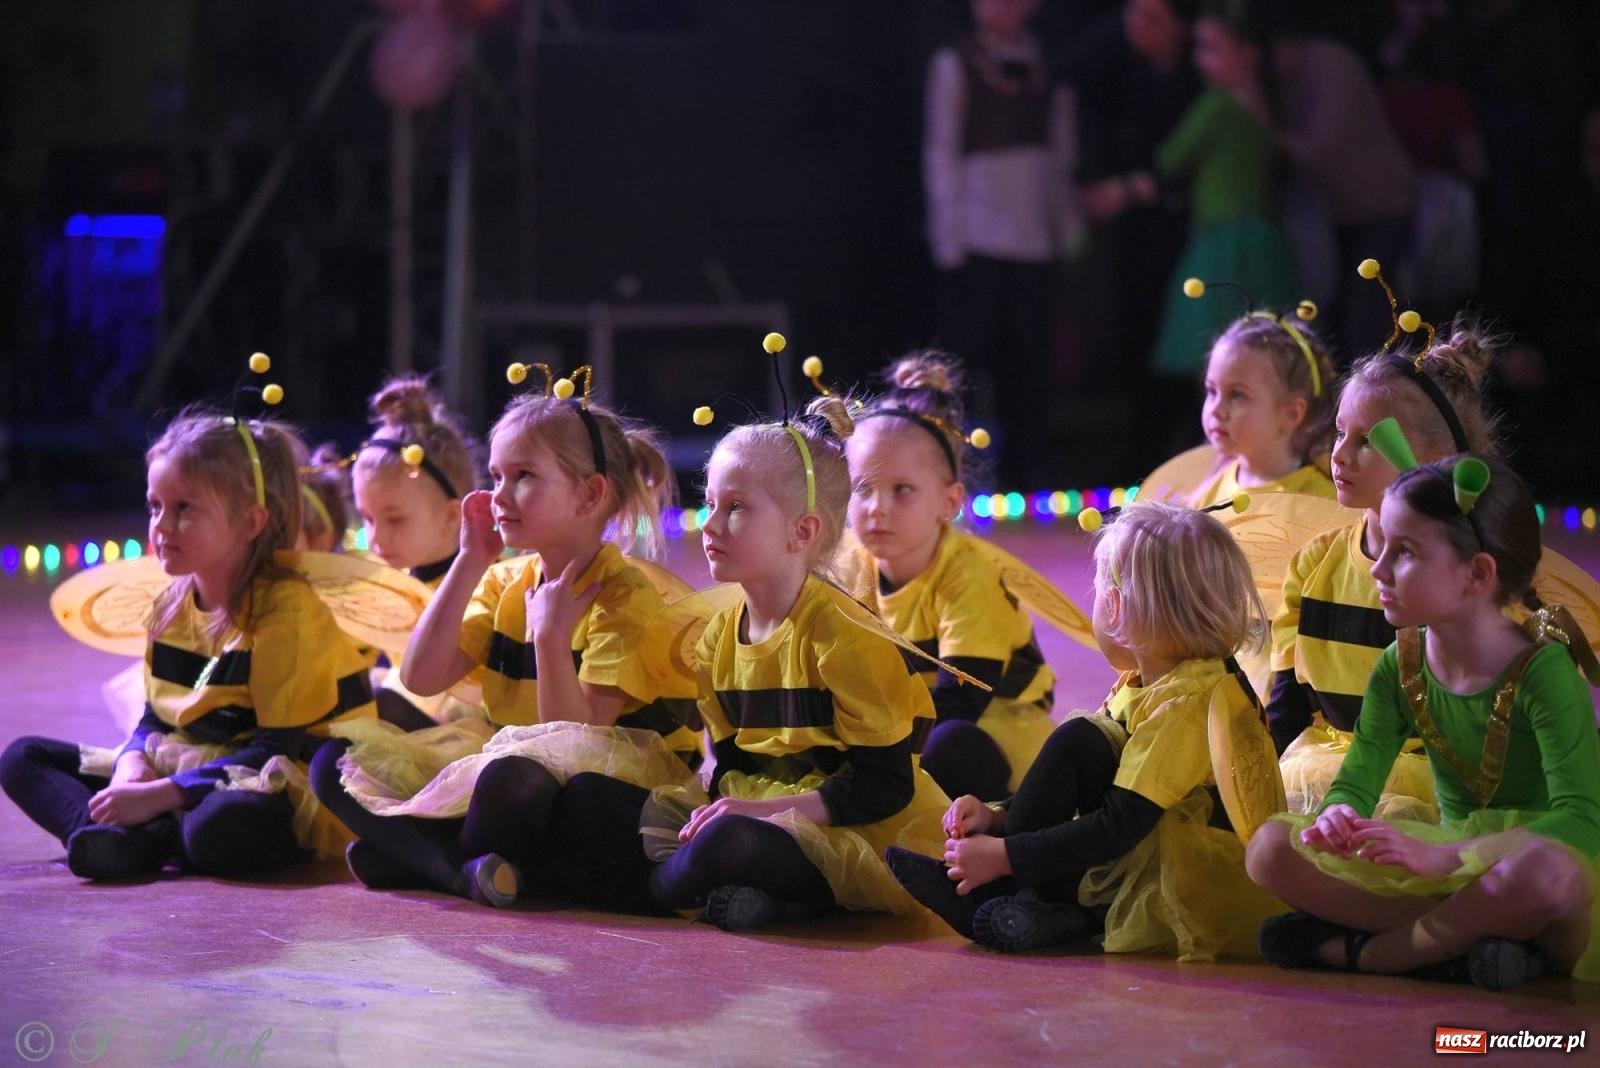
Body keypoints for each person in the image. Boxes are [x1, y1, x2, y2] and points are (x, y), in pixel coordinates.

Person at [311, 366, 695, 909]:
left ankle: (424, 858)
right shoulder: (503, 580)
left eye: (523, 476)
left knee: (521, 782)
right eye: (494, 477)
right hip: (516, 780)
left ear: (589, 495)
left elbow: (574, 744)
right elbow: (422, 675)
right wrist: (471, 561)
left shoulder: (625, 596)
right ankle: (461, 871)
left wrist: (551, 632)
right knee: (335, 761)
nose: (499, 495)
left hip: (606, 789)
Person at [1247, 454, 1600, 990]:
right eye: (1382, 544)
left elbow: (1582, 824)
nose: (1376, 568)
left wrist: (1446, 857)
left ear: (1477, 573)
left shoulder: (1542, 670)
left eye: (1404, 552)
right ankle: (1470, 948)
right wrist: (1338, 817)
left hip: (1528, 870)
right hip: (1449, 863)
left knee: (1546, 875)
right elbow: (1358, 778)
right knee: (1269, 850)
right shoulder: (1402, 661)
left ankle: (1377, 953)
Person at [888, 500, 1282, 958]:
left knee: (1079, 739)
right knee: (1086, 744)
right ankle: (1049, 912)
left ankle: (1007, 893)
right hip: (1143, 845)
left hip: (1175, 873)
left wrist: (1004, 856)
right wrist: (997, 816)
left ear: (1113, 608)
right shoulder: (1160, 680)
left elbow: (1118, 826)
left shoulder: (1185, 705)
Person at [1, 405, 377, 879]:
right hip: (192, 758)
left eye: (184, 509)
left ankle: (144, 837)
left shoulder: (287, 611)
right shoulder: (171, 600)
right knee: (23, 758)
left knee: (221, 826)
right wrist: (133, 763)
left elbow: (273, 751)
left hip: (274, 774)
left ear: (250, 522)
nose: (161, 525)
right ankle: (105, 833)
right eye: (155, 505)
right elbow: (157, 714)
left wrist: (161, 794)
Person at [645, 394, 952, 931]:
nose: (709, 524)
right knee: (617, 805)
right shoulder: (718, 636)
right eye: (710, 502)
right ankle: (766, 901)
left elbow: (884, 787)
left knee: (728, 842)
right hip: (763, 812)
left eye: (735, 507)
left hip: (852, 828)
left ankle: (643, 896)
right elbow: (735, 765)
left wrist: (764, 816)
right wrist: (725, 804)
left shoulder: (845, 636)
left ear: (802, 531)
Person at [1270, 294, 1499, 822]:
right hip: (1322, 765)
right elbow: (1287, 702)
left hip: (1429, 781)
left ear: (1437, 458)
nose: (1340, 454)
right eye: (1340, 433)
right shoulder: (1313, 564)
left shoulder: (1468, 574)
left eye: (1368, 441)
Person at [847, 351, 1054, 800]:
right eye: (862, 487)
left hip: (991, 731)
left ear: (949, 501)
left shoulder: (968, 575)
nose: (876, 507)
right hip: (908, 730)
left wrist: (875, 762)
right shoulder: (849, 564)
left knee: (950, 746)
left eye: (901, 489)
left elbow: (961, 704)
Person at [925, 0, 1086, 487]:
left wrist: (1067, 227)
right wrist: (948, 237)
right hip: (977, 238)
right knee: (969, 368)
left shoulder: (1048, 66)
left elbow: (1062, 152)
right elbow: (941, 149)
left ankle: (1028, 475)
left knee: (1029, 368)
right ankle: (962, 474)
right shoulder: (955, 62)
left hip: (1033, 238)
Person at [349, 375, 481, 730]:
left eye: (394, 520)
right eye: (367, 518)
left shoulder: (483, 589)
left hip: (461, 730)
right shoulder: (381, 580)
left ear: (452, 515)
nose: (376, 537)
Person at [1181, 291, 1338, 507]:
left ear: (1291, 414)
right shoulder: (1208, 488)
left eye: (1237, 395)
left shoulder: (1320, 502)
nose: (1216, 409)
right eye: (1212, 391)